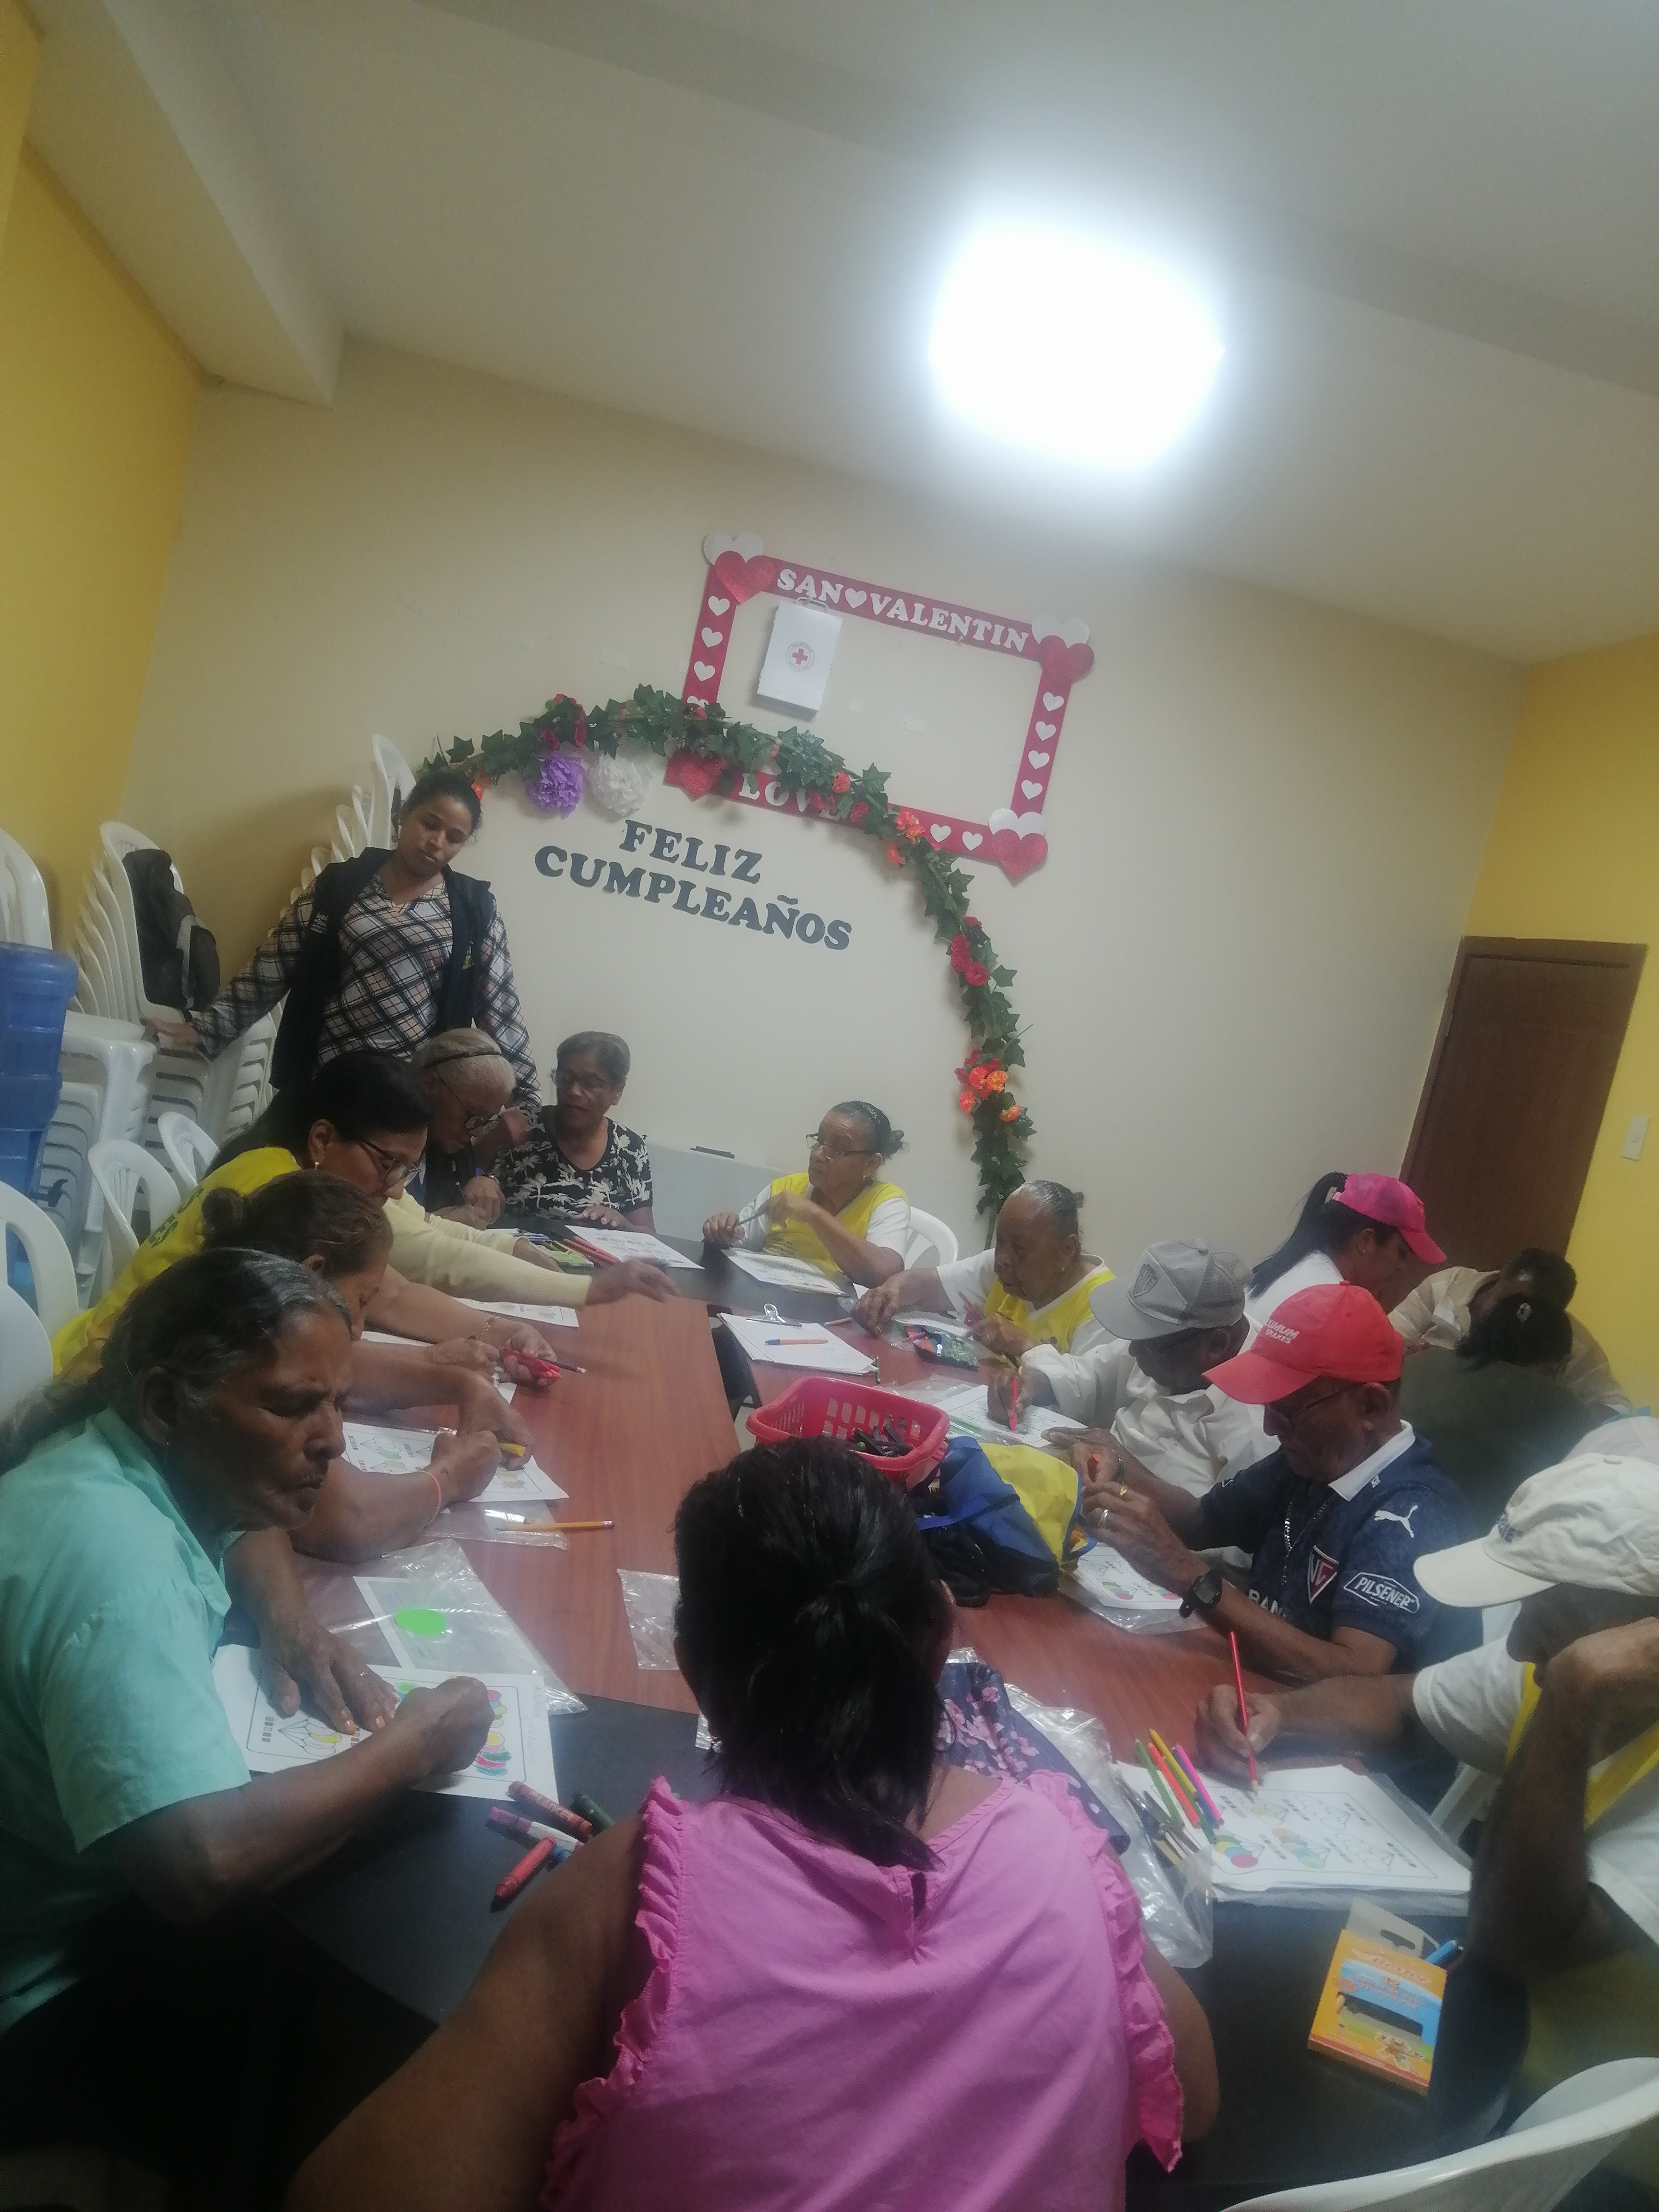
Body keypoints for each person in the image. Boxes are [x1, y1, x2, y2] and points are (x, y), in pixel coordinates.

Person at [286, 1439, 1216, 2212]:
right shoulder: (1059, 1849)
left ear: (693, 1669)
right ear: (943, 1633)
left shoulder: (634, 1894)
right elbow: (1196, 2094)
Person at [0, 1253, 493, 2190]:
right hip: (27, 1984)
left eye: (337, 1403)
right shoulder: (122, 1572)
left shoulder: (121, 1459)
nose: (332, 1440)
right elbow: (199, 1865)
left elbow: (247, 1521)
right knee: (314, 2028)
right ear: (165, 1402)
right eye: (293, 1406)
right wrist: (410, 1747)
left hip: (53, 1905)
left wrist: (286, 1619)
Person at [1193, 1452, 1659, 2195]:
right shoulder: (1554, 1659)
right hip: (1460, 2016)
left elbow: (1511, 1945)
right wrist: (1276, 1715)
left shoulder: (1574, 1679)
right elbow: (1403, 1707)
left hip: (1556, 2142)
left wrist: (1573, 1696)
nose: (1518, 1644)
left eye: (1549, 1618)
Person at [54, 1054, 672, 1379]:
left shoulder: (290, 1167)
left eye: (409, 1169)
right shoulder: (279, 1194)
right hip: (103, 1381)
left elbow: (390, 1294)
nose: (394, 1189)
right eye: (387, 1165)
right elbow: (303, 1356)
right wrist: (442, 1367)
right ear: (324, 1139)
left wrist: (502, 1333)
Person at [1078, 1283, 1478, 1683]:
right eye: (1268, 1406)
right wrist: (1120, 1471)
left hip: (1318, 1715)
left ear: (1371, 1407)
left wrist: (1188, 1574)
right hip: (1258, 1685)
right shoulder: (1310, 1461)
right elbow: (1202, 1521)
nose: (1270, 1427)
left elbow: (1355, 1674)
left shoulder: (1412, 1513)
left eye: (1288, 1411)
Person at [153, 768, 540, 1106]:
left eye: (454, 837)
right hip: (322, 1076)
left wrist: (527, 1100)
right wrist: (203, 1031)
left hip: (407, 1095)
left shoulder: (474, 910)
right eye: (430, 823)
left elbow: (500, 1003)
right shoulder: (341, 885)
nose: (438, 842)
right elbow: (274, 963)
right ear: (405, 814)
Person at [196, 1178, 504, 1560]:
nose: (358, 1329)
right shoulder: (242, 1350)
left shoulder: (242, 1299)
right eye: (361, 1301)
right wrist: (451, 1476)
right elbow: (350, 1521)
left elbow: (350, 1375)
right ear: (314, 1274)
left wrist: (462, 1384)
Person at [1020, 1240, 1273, 1497]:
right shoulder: (1168, 1341)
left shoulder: (1257, 1431)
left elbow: (1215, 1520)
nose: (1133, 1351)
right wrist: (1035, 1382)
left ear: (1217, 1345)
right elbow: (1091, 1374)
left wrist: (1123, 1466)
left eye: (1149, 1345)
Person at [854, 1182, 1113, 1365]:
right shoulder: (997, 1268)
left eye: (1020, 1249)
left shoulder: (1102, 1307)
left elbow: (1087, 1401)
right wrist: (892, 1292)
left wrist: (1028, 1347)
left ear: (1066, 1251)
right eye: (1001, 1242)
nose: (1002, 1260)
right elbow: (928, 1285)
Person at [1398, 1290, 1595, 1527]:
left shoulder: (1420, 1363)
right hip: (1479, 1537)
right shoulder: (1568, 1412)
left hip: (1385, 1505)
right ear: (1558, 1365)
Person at [1392, 1246, 1632, 1418]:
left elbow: (1617, 1408)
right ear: (1499, 1281)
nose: (1519, 1315)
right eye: (1512, 1302)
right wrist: (1415, 1359)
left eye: (1538, 1314)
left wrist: (1561, 1415)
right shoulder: (1448, 1286)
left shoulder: (1571, 1344)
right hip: (1416, 1409)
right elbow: (1387, 1338)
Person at [705, 1103, 911, 1286]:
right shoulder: (787, 1188)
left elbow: (884, 1275)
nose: (818, 1154)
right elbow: (738, 1244)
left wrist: (815, 1215)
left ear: (872, 1163)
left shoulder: (886, 1201)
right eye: (819, 1140)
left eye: (837, 1149)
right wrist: (723, 1233)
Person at [492, 1032, 655, 1228]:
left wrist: (621, 1223)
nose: (574, 1091)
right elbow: (466, 1181)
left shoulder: (629, 1148)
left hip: (592, 1250)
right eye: (565, 1079)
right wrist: (485, 1179)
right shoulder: (520, 1125)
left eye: (591, 1083)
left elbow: (647, 1235)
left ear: (617, 1091)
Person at [1246, 1170, 1443, 1326]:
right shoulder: (1335, 1305)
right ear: (1366, 1241)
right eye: (1401, 1253)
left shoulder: (1289, 1265)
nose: (1402, 1267)